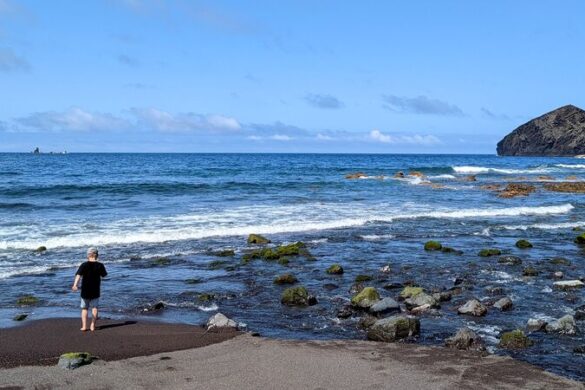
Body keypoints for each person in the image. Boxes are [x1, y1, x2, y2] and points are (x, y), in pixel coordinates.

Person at [72, 247, 107, 331]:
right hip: (95, 290)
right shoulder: (100, 265)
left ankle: (84, 326)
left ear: (88, 255)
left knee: (84, 308)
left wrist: (75, 285)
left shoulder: (84, 265)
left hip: (85, 290)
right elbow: (104, 275)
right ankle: (92, 326)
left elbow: (78, 275)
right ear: (97, 255)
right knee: (94, 308)